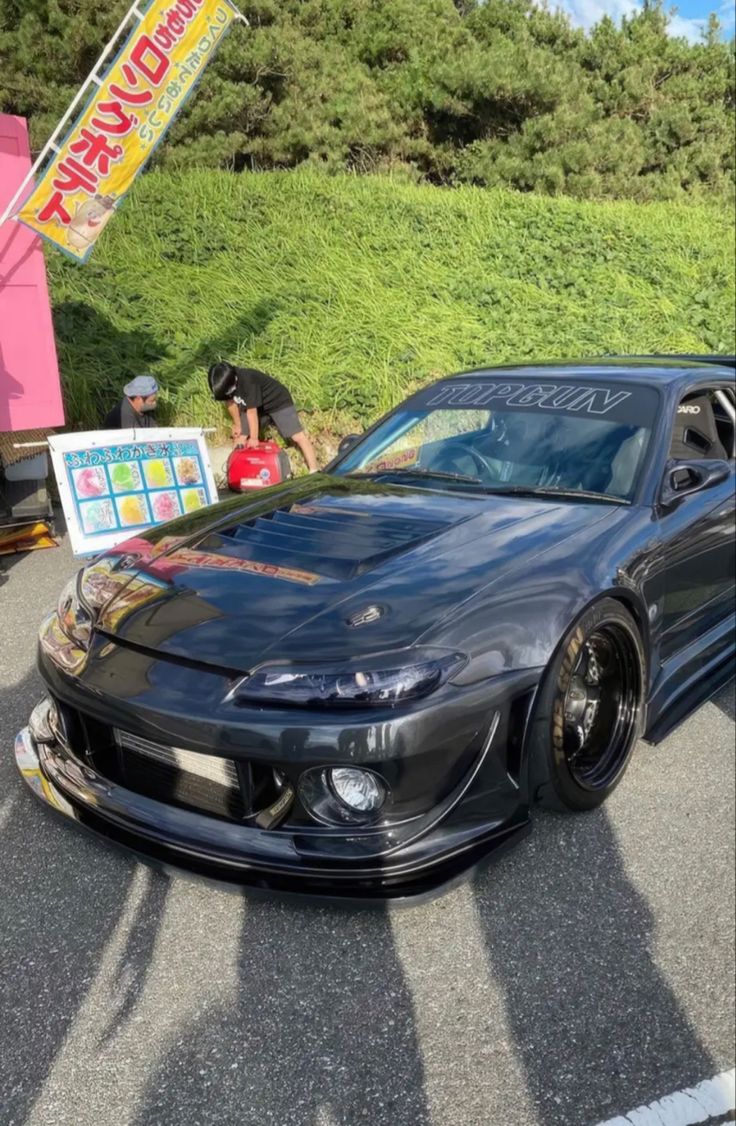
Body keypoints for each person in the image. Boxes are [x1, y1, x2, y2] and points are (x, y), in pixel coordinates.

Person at [208, 362, 318, 472]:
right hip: (257, 406)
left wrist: (254, 438)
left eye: (228, 391)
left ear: (233, 380)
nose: (228, 394)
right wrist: (238, 426)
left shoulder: (248, 381)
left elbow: (251, 412)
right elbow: (230, 403)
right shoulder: (226, 385)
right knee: (241, 438)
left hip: (278, 402)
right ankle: (245, 471)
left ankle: (314, 470)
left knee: (297, 436)